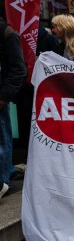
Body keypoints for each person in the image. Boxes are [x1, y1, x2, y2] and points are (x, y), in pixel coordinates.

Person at [0, 17, 26, 201]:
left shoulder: (8, 35)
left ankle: (3, 180)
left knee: (2, 140)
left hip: (0, 97)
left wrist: (3, 98)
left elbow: (18, 70)